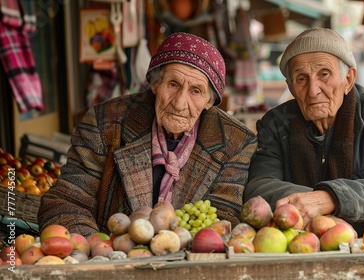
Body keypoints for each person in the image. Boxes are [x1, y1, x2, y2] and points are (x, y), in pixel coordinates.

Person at [38, 32, 257, 236]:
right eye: (173, 84)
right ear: (154, 84)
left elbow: (224, 219)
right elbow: (67, 202)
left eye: (196, 91)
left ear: (209, 101)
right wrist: (99, 252)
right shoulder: (105, 121)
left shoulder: (236, 143)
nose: (180, 103)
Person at [244, 28, 364, 236]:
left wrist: (332, 199)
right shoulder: (276, 123)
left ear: (348, 79)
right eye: (301, 79)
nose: (313, 90)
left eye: (324, 74)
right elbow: (258, 187)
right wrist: (318, 206)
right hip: (300, 239)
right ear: (291, 87)